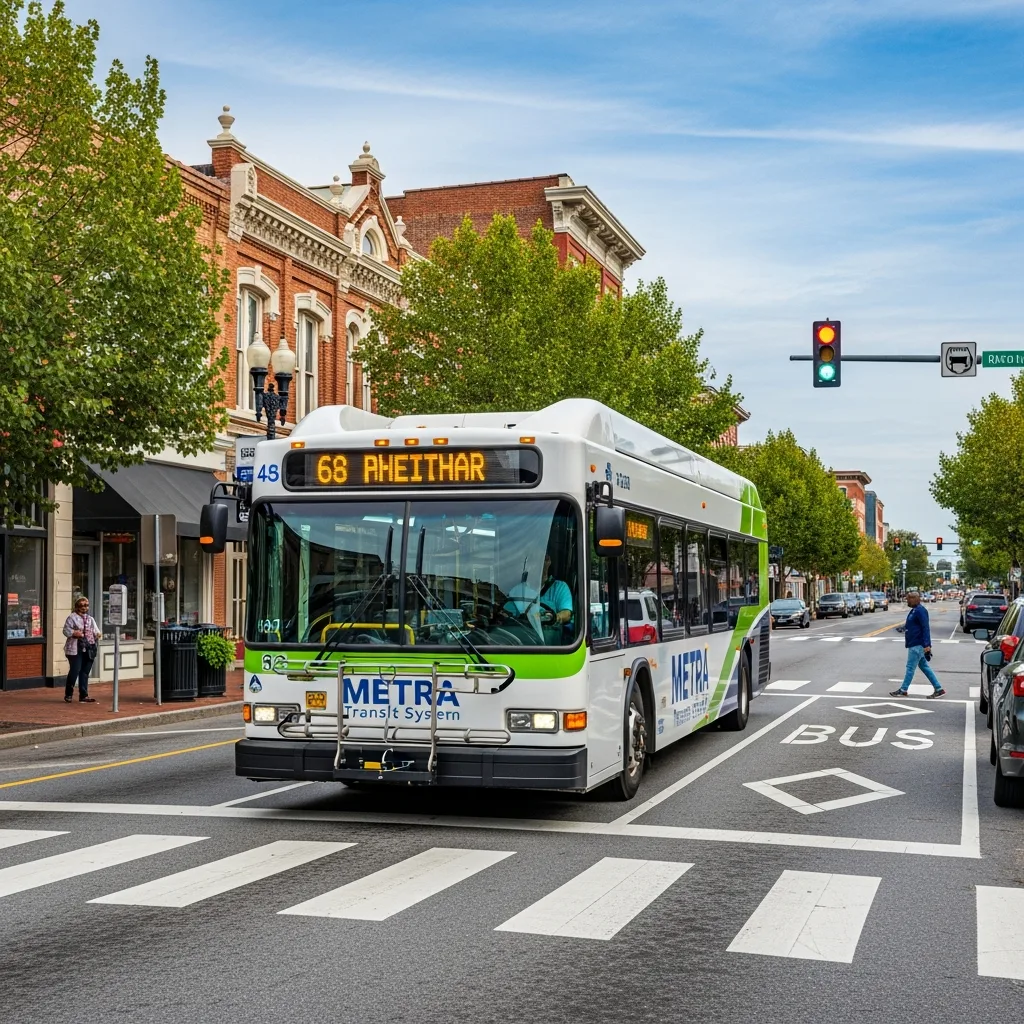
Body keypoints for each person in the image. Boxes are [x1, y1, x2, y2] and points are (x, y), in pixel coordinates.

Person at [505, 552, 573, 639]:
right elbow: (506, 613)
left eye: (543, 559)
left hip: (551, 648)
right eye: (534, 560)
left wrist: (555, 617)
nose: (539, 563)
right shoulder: (517, 590)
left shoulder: (560, 587)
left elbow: (567, 613)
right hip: (518, 642)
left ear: (548, 561)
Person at [890, 591, 945, 698]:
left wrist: (927, 645)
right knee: (924, 666)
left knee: (910, 667)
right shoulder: (914, 611)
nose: (907, 601)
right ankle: (939, 688)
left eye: (908, 599)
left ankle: (903, 689)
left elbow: (925, 628)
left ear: (915, 599)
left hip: (917, 644)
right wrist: (903, 628)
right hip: (914, 643)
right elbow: (912, 625)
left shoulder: (920, 611)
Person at [63, 597, 100, 703]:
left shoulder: (90, 618)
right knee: (75, 670)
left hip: (89, 648)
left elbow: (96, 630)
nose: (85, 607)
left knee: (85, 672)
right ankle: (68, 694)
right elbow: (66, 630)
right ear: (77, 606)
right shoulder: (72, 618)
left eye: (87, 605)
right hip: (75, 648)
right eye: (82, 605)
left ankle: (84, 695)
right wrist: (74, 633)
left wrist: (97, 634)